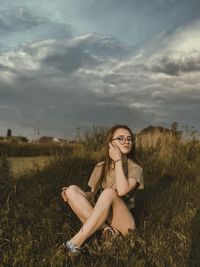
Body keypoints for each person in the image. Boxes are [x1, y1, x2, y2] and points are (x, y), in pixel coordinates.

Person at [61, 124, 144, 255]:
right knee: (71, 189)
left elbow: (122, 191)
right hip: (101, 217)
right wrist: (72, 195)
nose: (126, 141)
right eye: (121, 138)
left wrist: (117, 161)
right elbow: (93, 195)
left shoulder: (135, 168)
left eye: (129, 139)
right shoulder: (100, 167)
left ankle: (74, 243)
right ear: (110, 144)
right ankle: (108, 232)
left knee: (109, 193)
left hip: (123, 221)